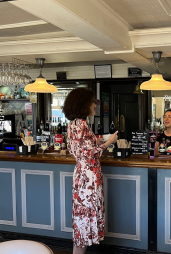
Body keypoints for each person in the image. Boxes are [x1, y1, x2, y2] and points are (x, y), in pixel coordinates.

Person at [62, 88, 118, 254]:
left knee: (82, 220)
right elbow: (91, 153)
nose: (95, 105)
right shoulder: (81, 125)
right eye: (93, 102)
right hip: (88, 179)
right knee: (84, 222)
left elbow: (86, 144)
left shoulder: (75, 124)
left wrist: (102, 139)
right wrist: (109, 142)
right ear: (84, 104)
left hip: (83, 176)